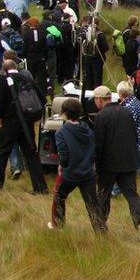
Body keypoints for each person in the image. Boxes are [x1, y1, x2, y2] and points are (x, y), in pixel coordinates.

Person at [93, 85, 140, 242]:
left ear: (99, 100)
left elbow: (98, 144)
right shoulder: (126, 111)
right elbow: (134, 135)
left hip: (109, 164)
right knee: (131, 194)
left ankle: (100, 225)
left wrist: (96, 164)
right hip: (129, 160)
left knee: (103, 194)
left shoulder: (101, 116)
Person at [49, 98, 106, 232]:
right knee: (92, 204)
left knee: (58, 196)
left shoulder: (61, 133)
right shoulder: (88, 130)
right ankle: (100, 230)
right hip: (88, 173)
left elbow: (64, 155)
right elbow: (94, 151)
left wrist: (61, 166)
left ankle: (58, 225)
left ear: (64, 113)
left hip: (70, 174)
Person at [0, 59, 48, 193]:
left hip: (9, 122)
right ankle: (40, 188)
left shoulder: (1, 79)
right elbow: (42, 98)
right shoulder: (26, 77)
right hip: (27, 123)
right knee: (31, 155)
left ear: (4, 69)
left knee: (3, 153)